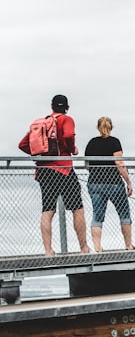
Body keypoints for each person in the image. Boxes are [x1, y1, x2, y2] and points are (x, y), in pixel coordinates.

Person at [18, 94, 90, 256]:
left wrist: (39, 152)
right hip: (64, 169)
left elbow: (23, 144)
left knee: (47, 210)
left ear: (51, 107)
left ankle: (48, 251)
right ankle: (84, 248)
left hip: (44, 171)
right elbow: (68, 135)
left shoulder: (42, 123)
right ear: (67, 107)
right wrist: (72, 149)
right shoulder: (66, 119)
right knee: (77, 208)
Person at [84, 116, 134, 251]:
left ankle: (97, 247)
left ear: (98, 127)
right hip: (114, 183)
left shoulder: (91, 143)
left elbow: (87, 165)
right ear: (111, 127)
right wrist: (128, 181)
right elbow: (119, 163)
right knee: (124, 214)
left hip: (95, 182)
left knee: (97, 216)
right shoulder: (114, 142)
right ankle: (128, 245)